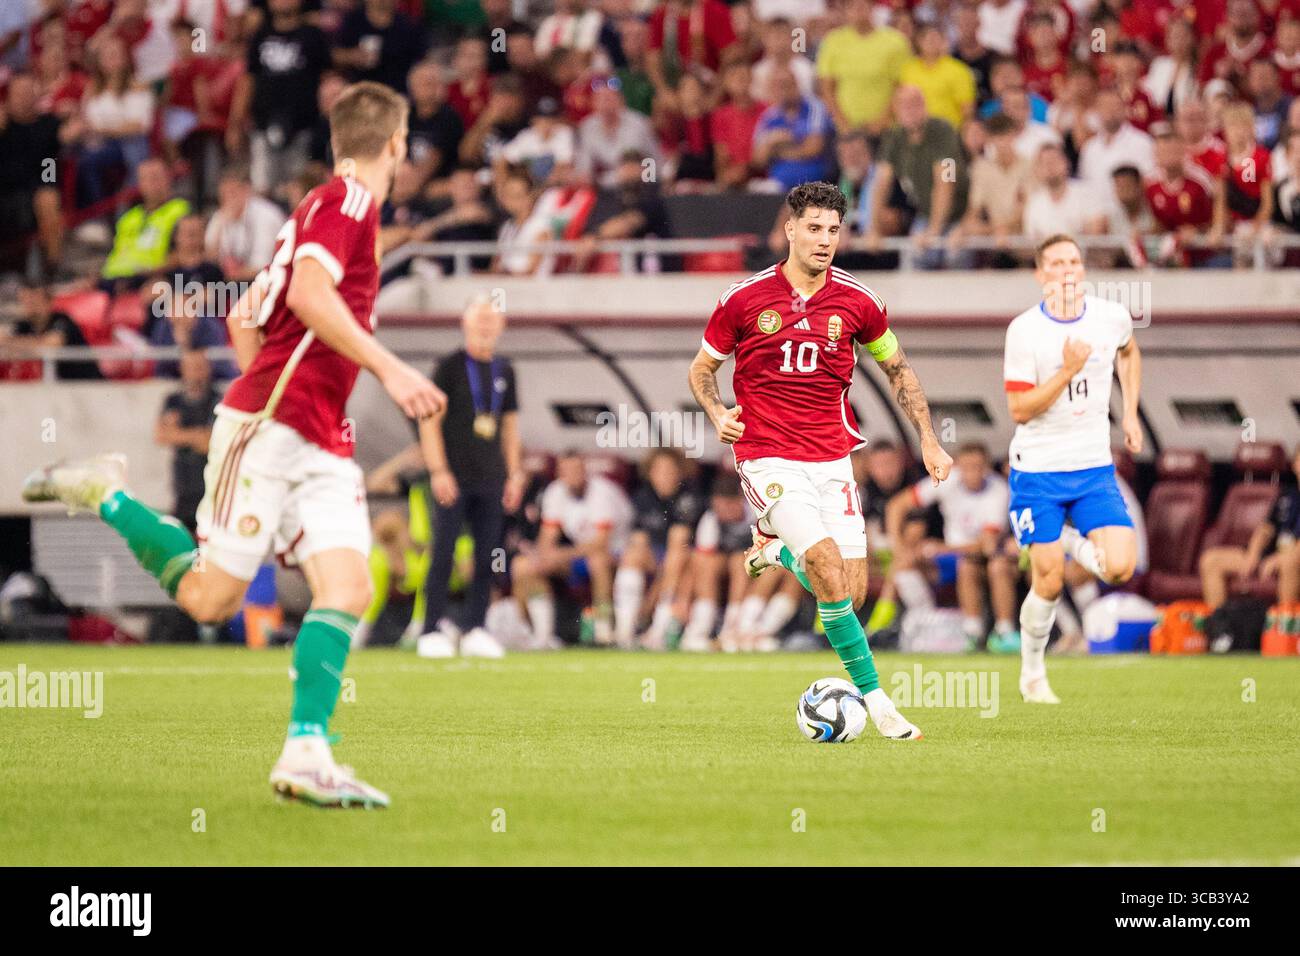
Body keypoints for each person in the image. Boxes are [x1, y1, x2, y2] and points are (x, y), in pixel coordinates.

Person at [24, 81, 448, 809]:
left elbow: (249, 311)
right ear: (397, 145)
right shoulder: (347, 202)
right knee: (209, 599)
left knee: (349, 587)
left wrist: (286, 383)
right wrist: (385, 367)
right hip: (271, 432)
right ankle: (105, 493)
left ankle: (307, 753)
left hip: (315, 435)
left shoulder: (330, 209)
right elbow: (309, 299)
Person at [688, 180, 952, 741]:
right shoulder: (743, 299)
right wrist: (717, 415)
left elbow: (898, 371)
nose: (825, 240)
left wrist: (927, 438)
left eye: (834, 230)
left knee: (850, 594)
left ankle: (775, 551)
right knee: (829, 570)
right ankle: (880, 703)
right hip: (767, 457)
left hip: (833, 459)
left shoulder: (859, 302)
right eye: (814, 228)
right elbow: (701, 371)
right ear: (790, 229)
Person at [1003, 234, 1143, 704]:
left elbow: (1129, 351)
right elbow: (1020, 409)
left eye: (1074, 262)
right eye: (1057, 263)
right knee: (1049, 579)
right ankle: (1033, 673)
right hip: (1038, 470)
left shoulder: (1110, 317)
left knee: (1120, 567)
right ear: (1041, 275)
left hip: (1092, 469)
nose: (1068, 270)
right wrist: (1066, 371)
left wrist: (1131, 413)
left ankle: (1063, 537)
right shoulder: (1024, 331)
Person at [413, 296, 525, 658]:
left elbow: (510, 427)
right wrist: (438, 470)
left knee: (488, 555)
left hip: (491, 478)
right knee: (443, 551)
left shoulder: (506, 370)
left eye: (492, 320)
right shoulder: (447, 367)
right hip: (454, 477)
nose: (486, 326)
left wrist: (514, 474)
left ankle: (476, 626)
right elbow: (428, 423)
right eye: (479, 319)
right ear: (465, 323)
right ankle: (431, 628)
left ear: (502, 326)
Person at [885, 442, 1018, 651]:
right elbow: (896, 506)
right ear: (958, 467)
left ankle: (986, 633)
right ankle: (919, 625)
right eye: (967, 467)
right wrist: (898, 546)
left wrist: (941, 549)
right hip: (947, 558)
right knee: (904, 562)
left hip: (980, 559)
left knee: (974, 566)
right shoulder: (948, 480)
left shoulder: (998, 491)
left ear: (986, 468)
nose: (972, 473)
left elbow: (987, 546)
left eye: (977, 467)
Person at [511, 450, 635, 648]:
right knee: (525, 566)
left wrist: (560, 555)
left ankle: (603, 633)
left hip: (618, 552)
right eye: (566, 470)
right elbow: (547, 537)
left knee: (598, 561)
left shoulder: (602, 491)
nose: (572, 475)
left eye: (576, 469)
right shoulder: (555, 491)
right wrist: (543, 558)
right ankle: (543, 637)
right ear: (559, 473)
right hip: (579, 555)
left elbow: (600, 543)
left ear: (585, 469)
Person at [613, 449, 703, 648]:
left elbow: (679, 542)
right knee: (632, 555)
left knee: (676, 554)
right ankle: (625, 631)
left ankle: (658, 630)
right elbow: (639, 539)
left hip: (686, 562)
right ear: (650, 473)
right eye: (659, 470)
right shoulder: (643, 497)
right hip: (657, 558)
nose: (664, 476)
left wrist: (651, 597)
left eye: (670, 470)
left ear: (679, 472)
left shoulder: (688, 498)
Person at [1199, 447, 1300, 610]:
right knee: (1211, 560)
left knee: (1290, 562)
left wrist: (1281, 558)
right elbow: (1266, 529)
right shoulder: (1287, 495)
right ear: (1295, 464)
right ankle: (1219, 626)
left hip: (1292, 559)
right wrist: (1253, 555)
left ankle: (1284, 628)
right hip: (1269, 555)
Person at [154, 350, 218, 532]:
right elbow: (162, 436)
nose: (195, 373)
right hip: (182, 490)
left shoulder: (216, 400)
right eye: (190, 367)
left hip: (209, 490)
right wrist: (196, 435)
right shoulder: (173, 400)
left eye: (199, 367)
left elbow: (210, 442)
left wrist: (178, 433)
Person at [1, 278, 102, 381]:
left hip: (86, 384)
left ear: (49, 301)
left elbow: (50, 346)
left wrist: (7, 341)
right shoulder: (23, 325)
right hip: (55, 386)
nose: (29, 304)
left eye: (34, 299)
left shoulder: (63, 320)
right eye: (24, 300)